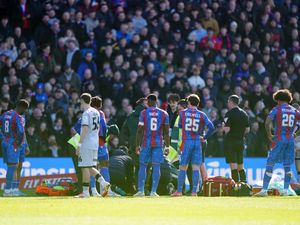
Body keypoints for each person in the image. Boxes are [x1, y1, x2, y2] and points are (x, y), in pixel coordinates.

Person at [255, 89, 300, 196]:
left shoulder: (277, 109)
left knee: (270, 163)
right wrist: (296, 134)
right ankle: (285, 190)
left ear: (278, 99)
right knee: (288, 166)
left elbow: (267, 122)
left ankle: (264, 190)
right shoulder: (295, 111)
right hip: (290, 141)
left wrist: (269, 134)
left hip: (279, 140)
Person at [172, 94, 215, 196]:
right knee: (196, 167)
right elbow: (212, 127)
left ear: (189, 103)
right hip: (197, 142)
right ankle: (194, 192)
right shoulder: (202, 114)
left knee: (183, 167)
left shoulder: (182, 113)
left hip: (187, 141)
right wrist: (204, 137)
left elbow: (180, 127)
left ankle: (179, 191)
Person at [75, 93, 110, 198]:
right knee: (90, 166)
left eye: (80, 102)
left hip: (86, 143)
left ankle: (85, 192)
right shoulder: (96, 112)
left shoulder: (86, 113)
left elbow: (85, 129)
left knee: (84, 167)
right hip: (95, 143)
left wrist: (79, 144)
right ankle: (104, 183)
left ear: (82, 101)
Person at [134, 94, 170, 197]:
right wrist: (167, 146)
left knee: (143, 165)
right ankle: (154, 191)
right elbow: (166, 132)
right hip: (158, 143)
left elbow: (140, 130)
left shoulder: (144, 113)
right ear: (156, 101)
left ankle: (141, 191)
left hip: (146, 142)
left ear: (149, 102)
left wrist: (137, 145)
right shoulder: (164, 114)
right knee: (156, 166)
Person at [1, 99, 29, 197]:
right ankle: (8, 190)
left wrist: (3, 137)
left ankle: (15, 189)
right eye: (25, 109)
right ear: (22, 108)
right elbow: (21, 132)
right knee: (12, 166)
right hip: (14, 143)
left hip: (9, 142)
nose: (25, 112)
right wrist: (19, 142)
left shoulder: (5, 114)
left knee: (17, 166)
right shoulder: (17, 117)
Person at [223, 95, 250, 183]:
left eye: (228, 102)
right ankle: (244, 185)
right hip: (241, 141)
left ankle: (236, 186)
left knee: (233, 165)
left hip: (231, 142)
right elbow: (247, 129)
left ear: (231, 102)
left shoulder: (229, 114)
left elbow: (227, 130)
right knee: (240, 165)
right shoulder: (244, 113)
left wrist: (223, 127)